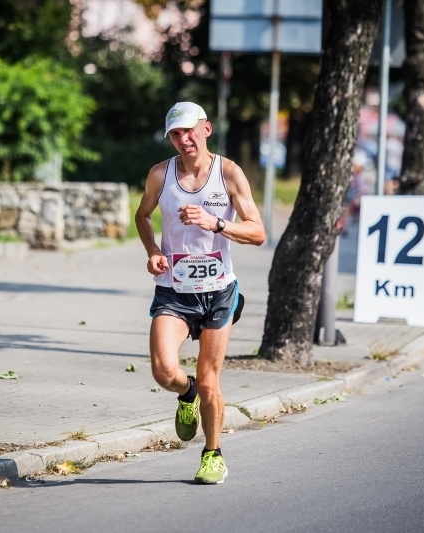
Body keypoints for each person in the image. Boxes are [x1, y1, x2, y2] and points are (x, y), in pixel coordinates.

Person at [134, 102, 266, 484]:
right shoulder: (161, 174)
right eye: (175, 133)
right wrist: (153, 252)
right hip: (174, 289)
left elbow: (257, 232)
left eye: (189, 130)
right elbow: (142, 215)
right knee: (163, 370)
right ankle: (186, 393)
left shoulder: (228, 173)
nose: (183, 139)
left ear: (206, 129)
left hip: (218, 291)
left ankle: (213, 454)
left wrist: (216, 223)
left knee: (211, 380)